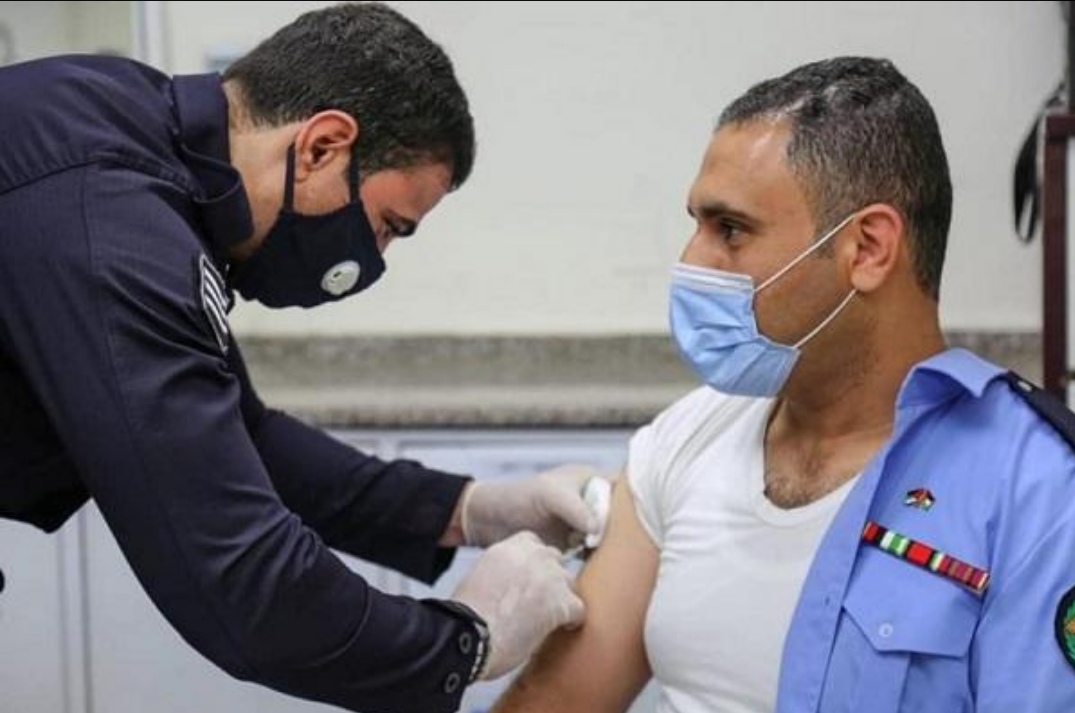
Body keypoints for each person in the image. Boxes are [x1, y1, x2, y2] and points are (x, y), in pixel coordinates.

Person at [0, 3, 603, 713]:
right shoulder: (109, 218)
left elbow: (237, 433)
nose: (373, 257)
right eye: (387, 225)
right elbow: (240, 582)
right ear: (321, 146)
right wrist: (464, 640)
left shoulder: (132, 141)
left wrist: (468, 509)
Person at [492, 56, 1075, 713]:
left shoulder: (1037, 491)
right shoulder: (688, 435)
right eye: (696, 224)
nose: (692, 261)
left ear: (868, 248)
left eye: (730, 230)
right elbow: (555, 699)